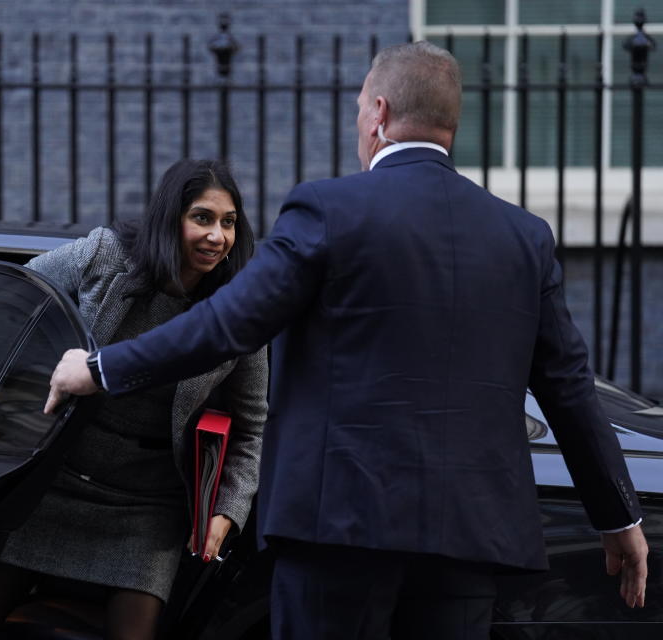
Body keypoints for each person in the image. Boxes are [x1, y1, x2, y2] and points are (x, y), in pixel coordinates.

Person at [43, 42, 649, 639]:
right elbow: (569, 389)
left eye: (360, 109)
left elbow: (229, 322)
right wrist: (618, 516)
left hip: (341, 527)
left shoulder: (329, 208)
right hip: (468, 536)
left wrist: (100, 368)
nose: (359, 125)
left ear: (379, 113)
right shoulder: (524, 235)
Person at [0, 159, 268, 640]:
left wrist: (227, 510)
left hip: (149, 506)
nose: (217, 236)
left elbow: (251, 425)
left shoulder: (238, 308)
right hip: (53, 482)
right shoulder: (105, 256)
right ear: (170, 218)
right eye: (202, 218)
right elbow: (14, 299)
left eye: (229, 222)